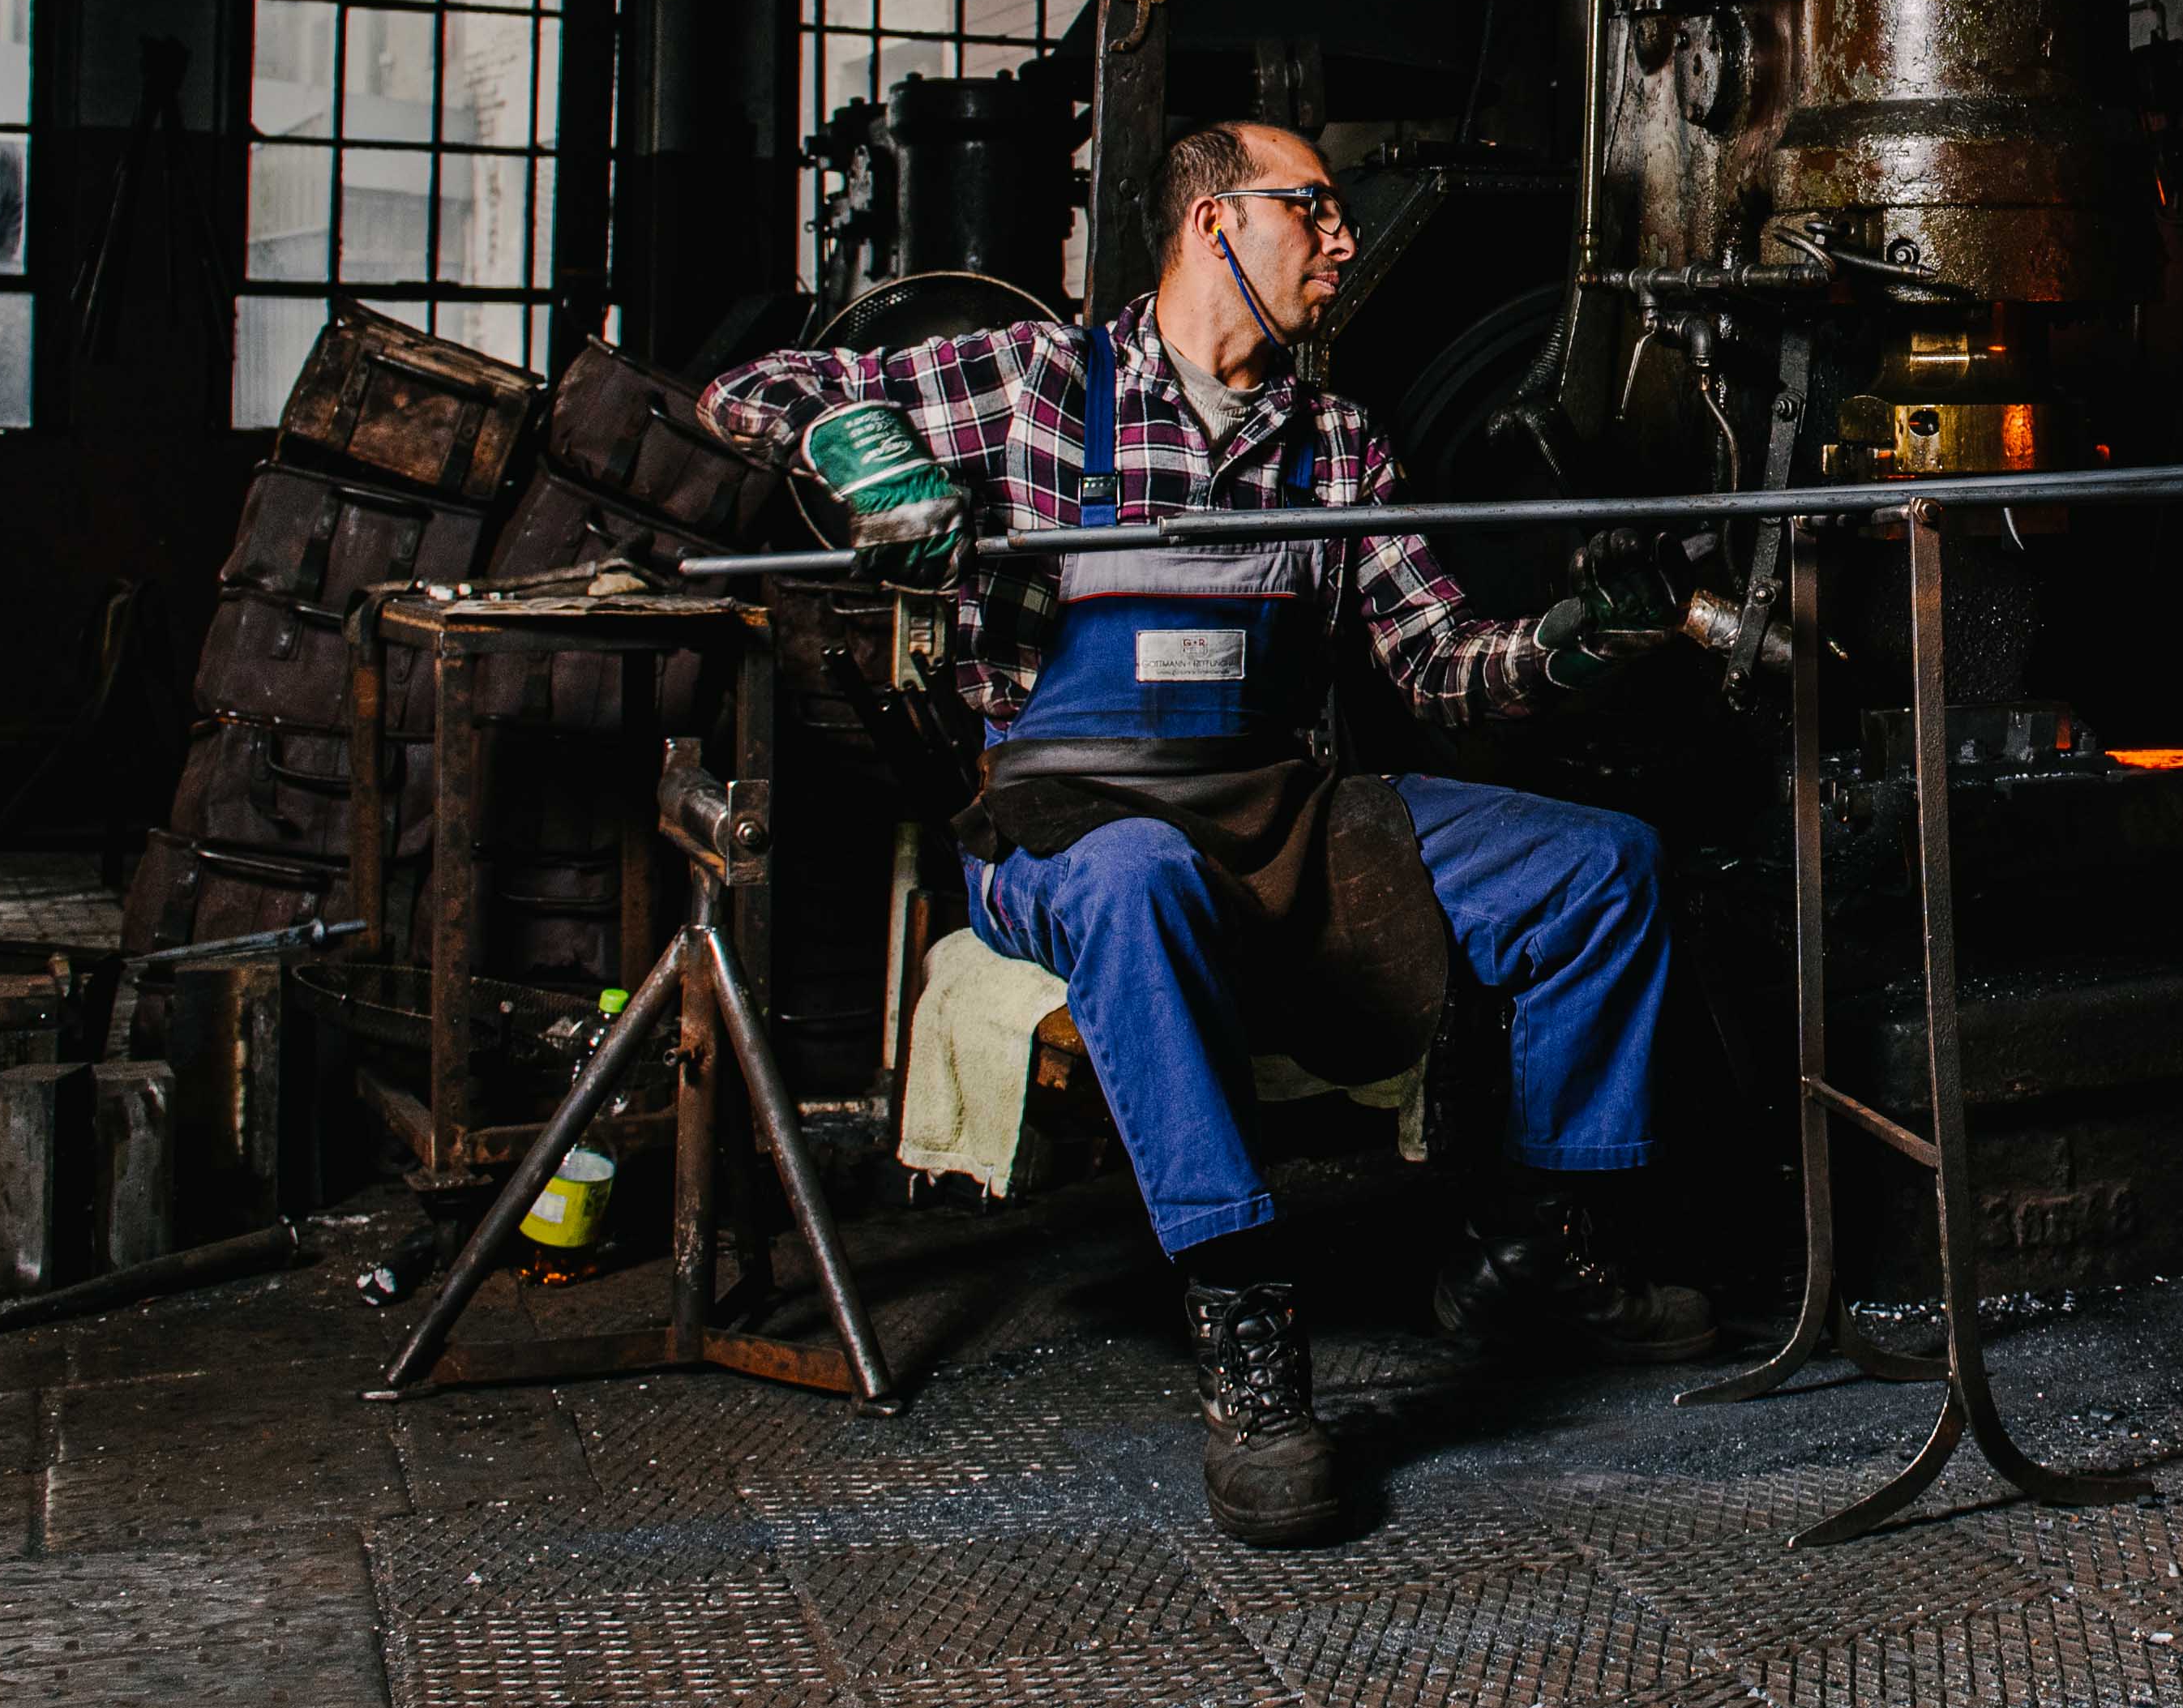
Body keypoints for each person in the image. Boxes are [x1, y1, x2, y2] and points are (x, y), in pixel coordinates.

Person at [701, 117, 1711, 1546]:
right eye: (1320, 211)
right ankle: (1250, 1336)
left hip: (1279, 804)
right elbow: (750, 385)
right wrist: (860, 444)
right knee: (1137, 876)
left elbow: (1442, 666)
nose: (1345, 240)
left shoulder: (1337, 442)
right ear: (1215, 224)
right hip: (1066, 813)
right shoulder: (1032, 383)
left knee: (1602, 867)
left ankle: (1535, 1252)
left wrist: (1573, 642)